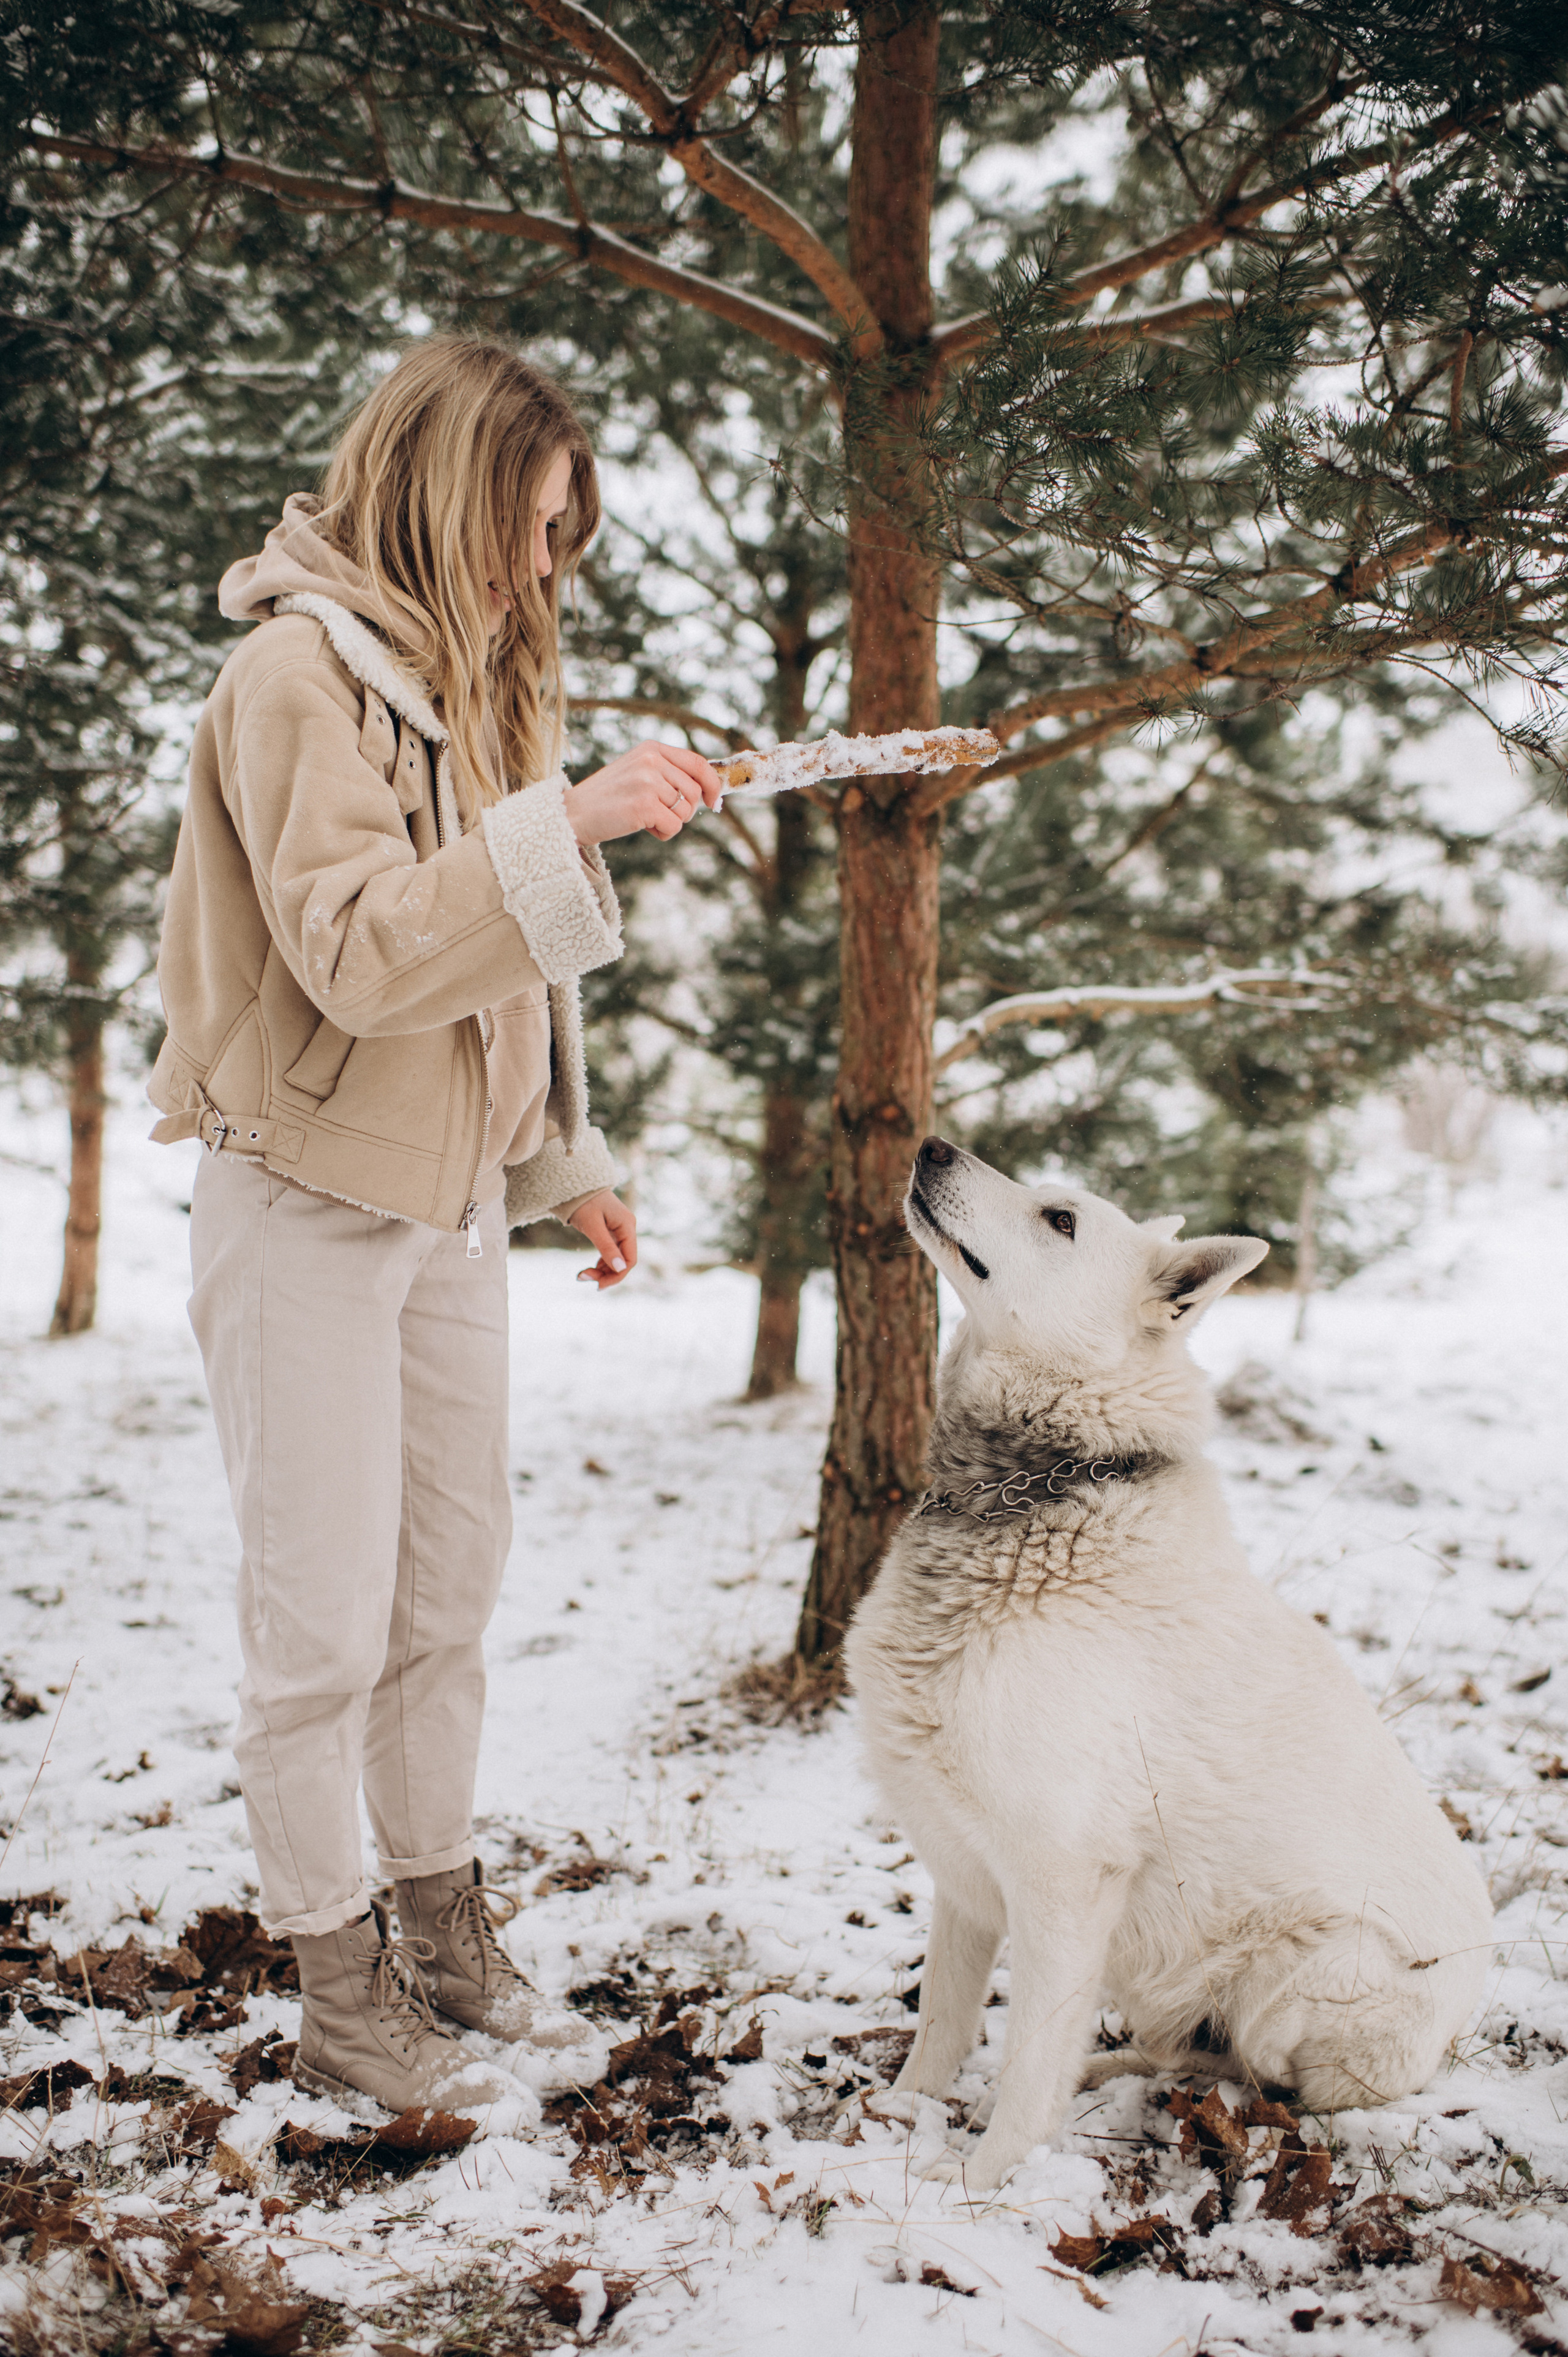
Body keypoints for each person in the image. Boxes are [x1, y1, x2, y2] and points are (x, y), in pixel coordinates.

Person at [148, 337, 722, 2117]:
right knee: (318, 1626)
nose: (537, 570)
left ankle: (439, 1921)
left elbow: (506, 978)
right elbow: (363, 949)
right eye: (523, 527)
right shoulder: (293, 676)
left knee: (443, 1601)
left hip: (453, 1207)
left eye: (561, 539)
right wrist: (568, 819)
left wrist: (564, 1161)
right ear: (438, 489)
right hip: (304, 1200)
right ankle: (338, 1983)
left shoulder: (482, 682)